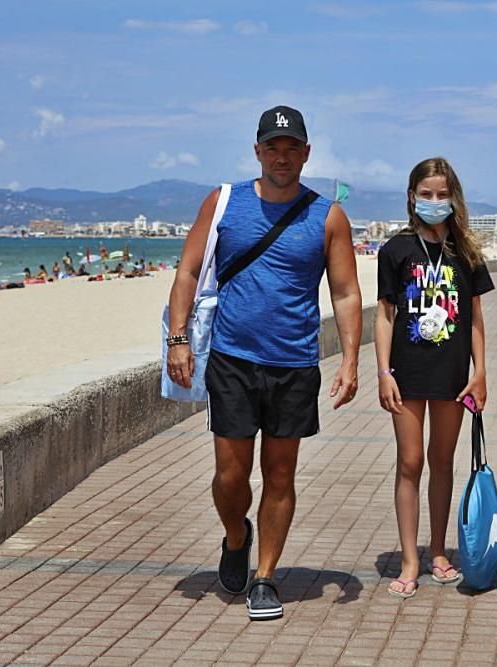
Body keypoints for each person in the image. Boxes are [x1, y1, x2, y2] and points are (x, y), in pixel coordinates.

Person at [166, 105, 362, 620]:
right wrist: (178, 339)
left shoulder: (328, 216)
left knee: (279, 473)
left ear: (306, 154)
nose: (281, 157)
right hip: (232, 358)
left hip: (294, 363)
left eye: (291, 148)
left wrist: (350, 361)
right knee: (231, 477)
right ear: (257, 151)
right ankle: (237, 536)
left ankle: (265, 577)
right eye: (272, 147)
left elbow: (345, 292)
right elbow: (188, 272)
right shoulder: (223, 202)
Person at [375, 157, 494, 599]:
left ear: (453, 198)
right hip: (406, 374)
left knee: (442, 461)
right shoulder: (395, 250)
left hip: (452, 375)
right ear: (412, 197)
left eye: (442, 194)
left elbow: (476, 319)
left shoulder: (466, 253)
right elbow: (384, 315)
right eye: (426, 194)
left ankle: (439, 551)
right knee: (410, 462)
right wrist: (383, 372)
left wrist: (480, 373)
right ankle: (410, 559)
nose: (434, 201)